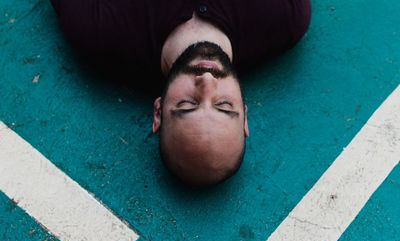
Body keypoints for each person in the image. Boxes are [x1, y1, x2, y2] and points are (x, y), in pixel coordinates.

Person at [50, 0, 311, 187]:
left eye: (187, 104)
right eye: (223, 105)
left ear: (158, 111)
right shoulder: (285, 17)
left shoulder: (101, 35)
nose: (207, 81)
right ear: (244, 113)